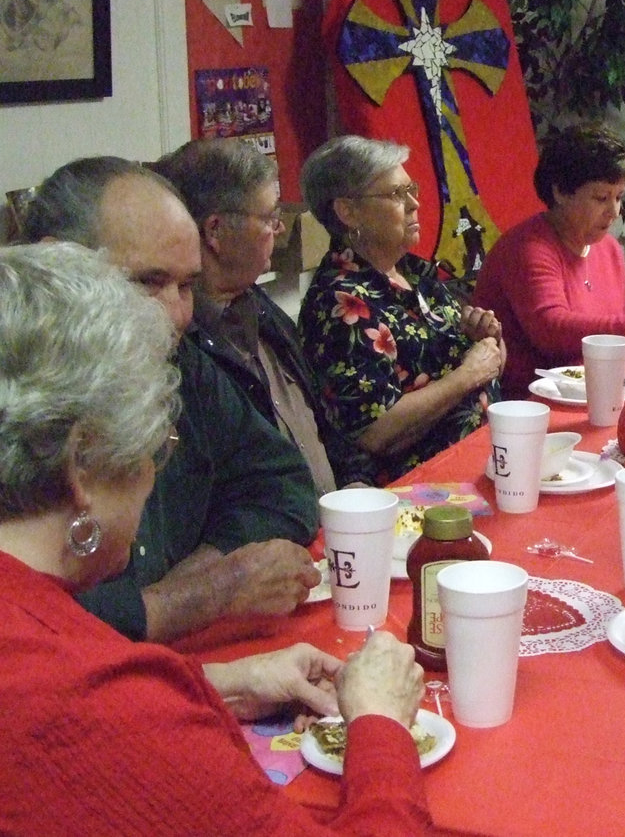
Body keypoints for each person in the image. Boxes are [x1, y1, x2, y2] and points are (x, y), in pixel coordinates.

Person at [0, 242, 432, 836]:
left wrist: (219, 685)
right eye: (157, 449)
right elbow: (88, 724)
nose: (155, 473)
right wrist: (381, 726)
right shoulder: (88, 703)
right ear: (83, 467)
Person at [22, 157, 320, 642]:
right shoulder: (18, 407)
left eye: (186, 286)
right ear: (57, 268)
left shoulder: (177, 363)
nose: (176, 315)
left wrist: (198, 582)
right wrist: (200, 597)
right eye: (147, 282)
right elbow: (33, 634)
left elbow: (282, 485)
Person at [154, 138, 372, 494]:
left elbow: (326, 426)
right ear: (215, 231)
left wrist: (355, 481)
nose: (280, 228)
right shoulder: (182, 345)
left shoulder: (260, 307)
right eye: (270, 217)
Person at [298, 136, 504, 484]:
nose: (414, 203)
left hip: (482, 461)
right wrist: (469, 373)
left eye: (411, 189)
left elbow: (487, 363)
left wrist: (484, 337)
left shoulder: (416, 273)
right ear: (348, 212)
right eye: (396, 194)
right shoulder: (341, 303)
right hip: (420, 491)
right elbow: (376, 431)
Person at [472, 123, 625, 398]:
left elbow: (610, 340)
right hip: (530, 408)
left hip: (590, 396)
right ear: (561, 192)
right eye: (601, 198)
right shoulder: (528, 248)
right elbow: (553, 331)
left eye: (619, 197)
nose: (614, 212)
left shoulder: (609, 249)